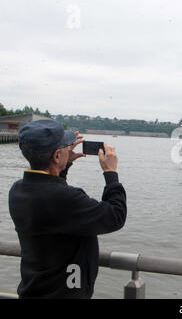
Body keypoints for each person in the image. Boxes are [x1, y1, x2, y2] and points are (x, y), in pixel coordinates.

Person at [8, 119, 127, 299]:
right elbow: (115, 216)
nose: (70, 147)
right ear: (56, 156)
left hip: (34, 290)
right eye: (65, 146)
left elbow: (50, 197)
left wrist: (62, 166)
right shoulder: (66, 198)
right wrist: (110, 173)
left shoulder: (17, 190)